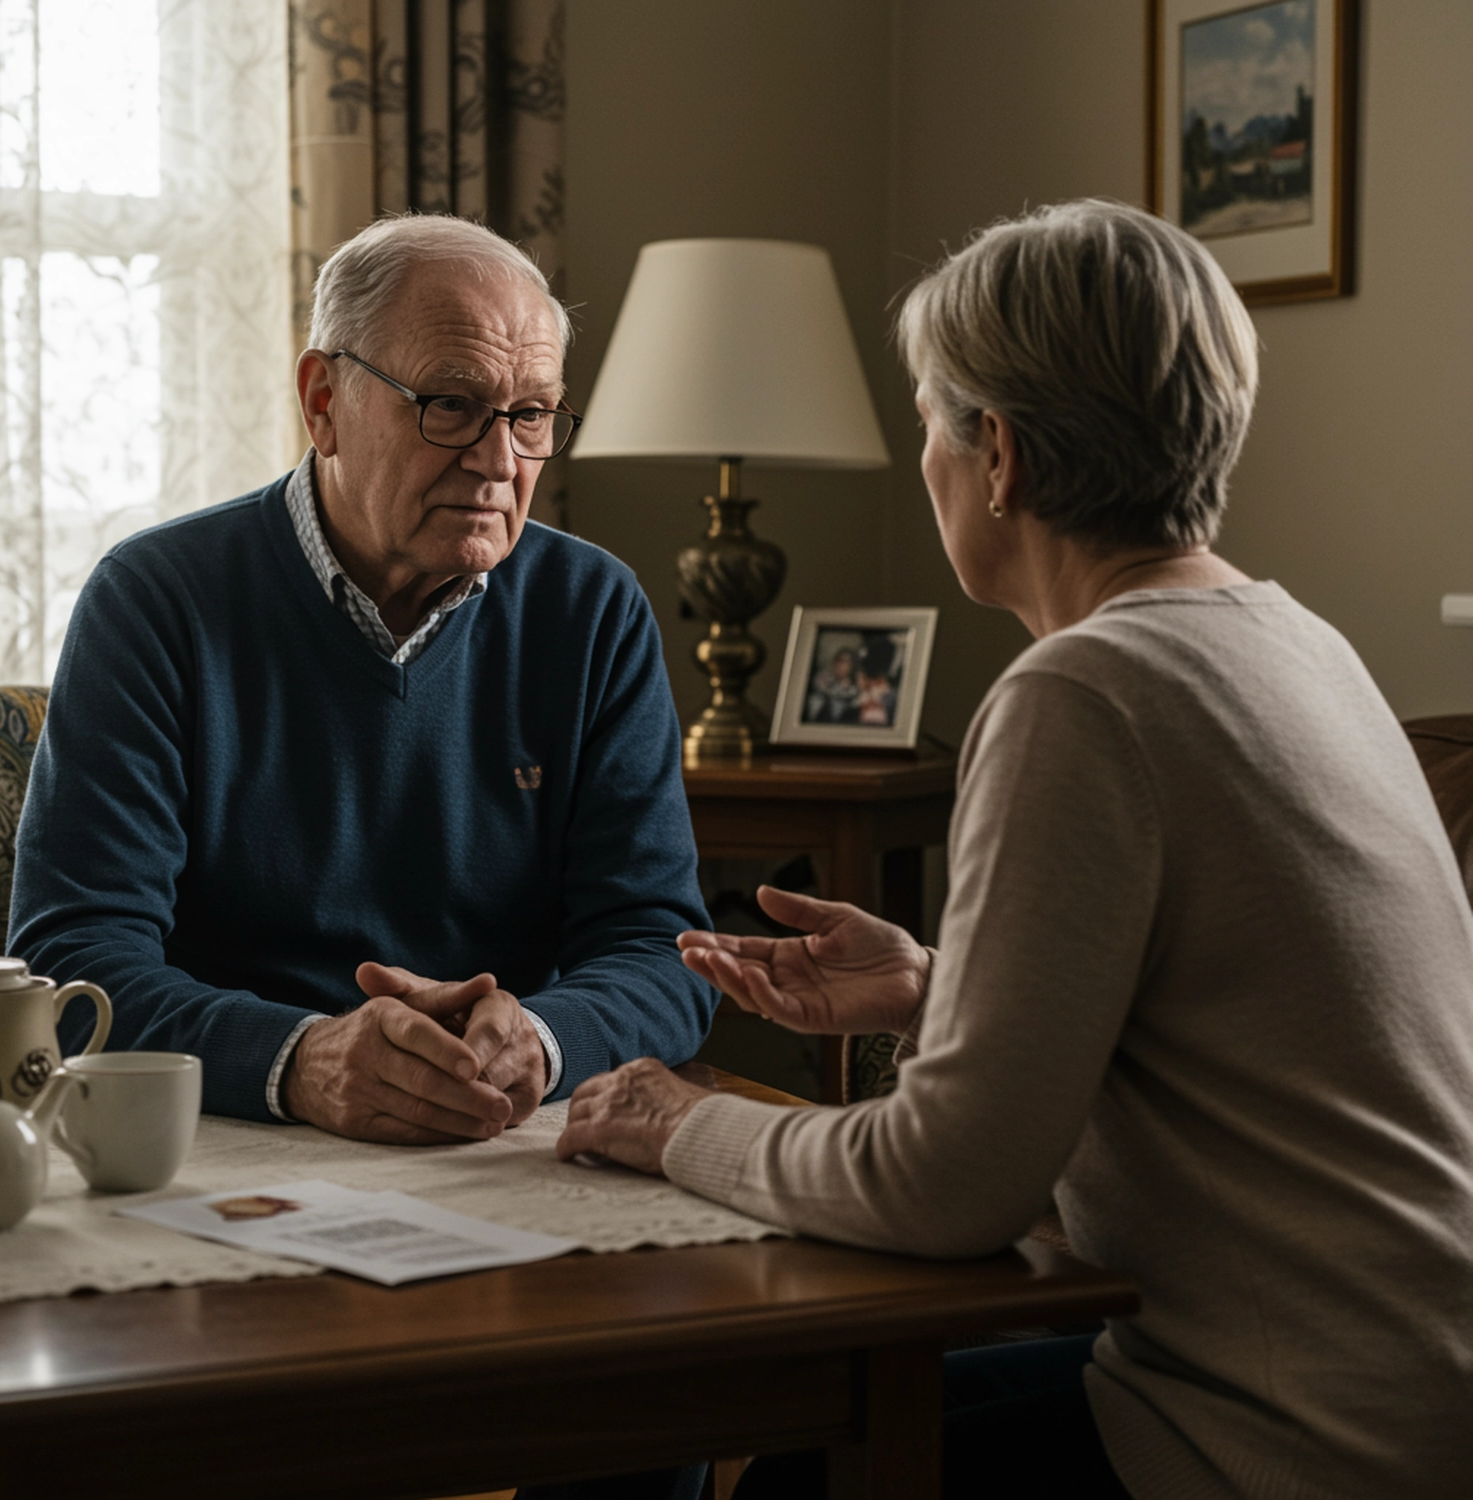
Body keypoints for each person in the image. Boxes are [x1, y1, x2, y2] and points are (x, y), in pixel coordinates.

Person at [556, 199, 1473, 1498]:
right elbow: (1240, 1040)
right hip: (1407, 1393)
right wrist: (939, 990)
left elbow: (941, 1190)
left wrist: (681, 1121)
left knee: (793, 1463)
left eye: (932, 424)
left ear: (999, 455)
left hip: (1284, 1444)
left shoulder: (1085, 691)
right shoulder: (1301, 644)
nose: (929, 460)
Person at [8, 214, 716, 1149]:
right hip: (232, 1128)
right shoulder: (155, 599)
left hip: (504, 1132)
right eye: (451, 404)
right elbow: (70, 963)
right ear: (323, 402)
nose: (499, 461)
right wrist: (301, 1059)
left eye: (532, 415)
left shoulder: (593, 609)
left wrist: (542, 1041)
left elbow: (663, 951)